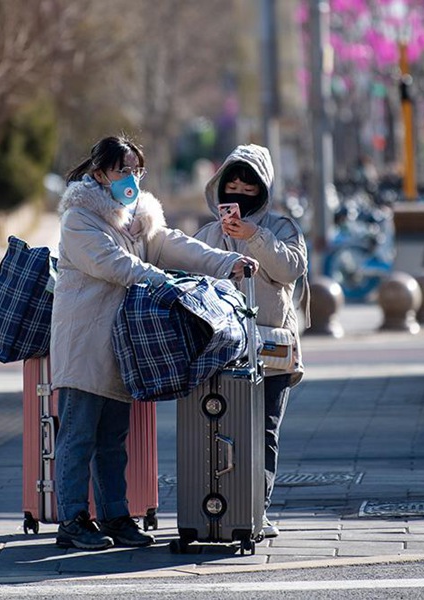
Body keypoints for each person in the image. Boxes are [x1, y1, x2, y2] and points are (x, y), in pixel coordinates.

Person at [51, 135, 259, 551]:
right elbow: (114, 265)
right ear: (99, 174)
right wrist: (165, 282)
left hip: (120, 345)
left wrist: (226, 262)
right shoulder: (80, 219)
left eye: (136, 171)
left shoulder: (138, 217)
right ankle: (72, 520)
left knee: (113, 438)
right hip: (84, 345)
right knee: (78, 435)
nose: (131, 179)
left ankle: (115, 516)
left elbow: (175, 245)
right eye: (122, 170)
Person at [193, 144, 308, 539]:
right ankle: (220, 508)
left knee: (265, 430)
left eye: (249, 185)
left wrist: (255, 237)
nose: (239, 193)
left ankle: (258, 510)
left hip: (272, 346)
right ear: (220, 186)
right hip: (220, 350)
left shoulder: (281, 228)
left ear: (262, 189)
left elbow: (291, 268)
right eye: (232, 184)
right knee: (220, 429)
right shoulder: (206, 233)